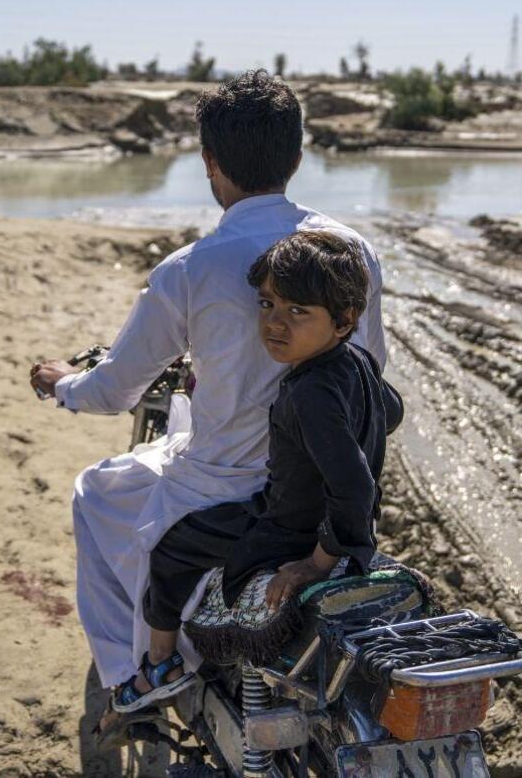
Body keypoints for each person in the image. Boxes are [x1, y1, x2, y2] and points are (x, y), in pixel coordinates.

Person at [28, 71, 387, 728]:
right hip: (322, 491)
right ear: (298, 159)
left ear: (209, 163)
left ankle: (139, 670)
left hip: (228, 492)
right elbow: (375, 369)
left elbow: (115, 390)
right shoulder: (352, 249)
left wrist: (64, 385)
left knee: (95, 490)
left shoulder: (190, 269)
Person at [112, 230, 403, 712]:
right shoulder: (357, 361)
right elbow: (391, 412)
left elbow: (353, 485)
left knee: (169, 550)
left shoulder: (310, 392)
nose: (275, 325)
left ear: (345, 320)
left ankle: (160, 665)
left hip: (287, 529)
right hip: (318, 521)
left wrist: (316, 562)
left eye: (298, 312)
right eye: (268, 304)